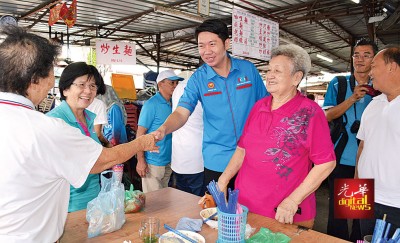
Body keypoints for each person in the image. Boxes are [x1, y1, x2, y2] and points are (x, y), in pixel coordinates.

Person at [0, 26, 157, 242]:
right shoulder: (49, 127)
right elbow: (104, 160)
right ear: (37, 79)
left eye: (92, 86)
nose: (88, 91)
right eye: (51, 73)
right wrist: (141, 143)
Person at [216, 44, 336, 228]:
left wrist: (292, 201)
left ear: (296, 78)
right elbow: (242, 149)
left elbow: (326, 163)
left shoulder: (310, 113)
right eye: (269, 69)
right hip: (244, 207)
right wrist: (223, 181)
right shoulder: (259, 106)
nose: (269, 75)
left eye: (277, 71)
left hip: (284, 213)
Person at [153, 19, 267, 191]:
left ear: (226, 43)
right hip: (217, 159)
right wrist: (164, 129)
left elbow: (265, 107)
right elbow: (182, 113)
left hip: (252, 155)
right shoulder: (198, 79)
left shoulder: (248, 70)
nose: (207, 51)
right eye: (201, 46)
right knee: (217, 211)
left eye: (212, 44)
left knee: (252, 210)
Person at [323, 38, 378, 241]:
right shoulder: (339, 83)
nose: (360, 59)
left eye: (366, 55)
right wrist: (352, 99)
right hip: (342, 155)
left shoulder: (380, 86)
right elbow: (328, 115)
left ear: (375, 59)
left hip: (369, 158)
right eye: (356, 55)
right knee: (339, 211)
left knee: (361, 211)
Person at [47, 62, 106, 212]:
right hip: (67, 208)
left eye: (93, 86)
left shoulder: (88, 118)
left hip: (92, 203)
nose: (88, 91)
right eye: (81, 85)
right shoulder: (56, 120)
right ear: (65, 89)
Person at [356, 45, 400, 238]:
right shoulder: (373, 104)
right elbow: (362, 146)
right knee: (359, 236)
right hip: (362, 194)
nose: (370, 72)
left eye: (374, 66)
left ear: (392, 67)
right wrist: (356, 189)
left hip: (395, 202)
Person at [136, 69, 184, 193]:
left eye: (176, 83)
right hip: (153, 162)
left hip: (168, 160)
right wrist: (141, 160)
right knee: (154, 203)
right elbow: (140, 134)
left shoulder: (174, 104)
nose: (175, 86)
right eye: (171, 83)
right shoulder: (151, 105)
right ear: (160, 84)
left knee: (163, 200)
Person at [171, 71, 204, 196]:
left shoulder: (178, 88)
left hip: (179, 157)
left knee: (181, 198)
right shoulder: (202, 87)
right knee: (197, 200)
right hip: (197, 159)